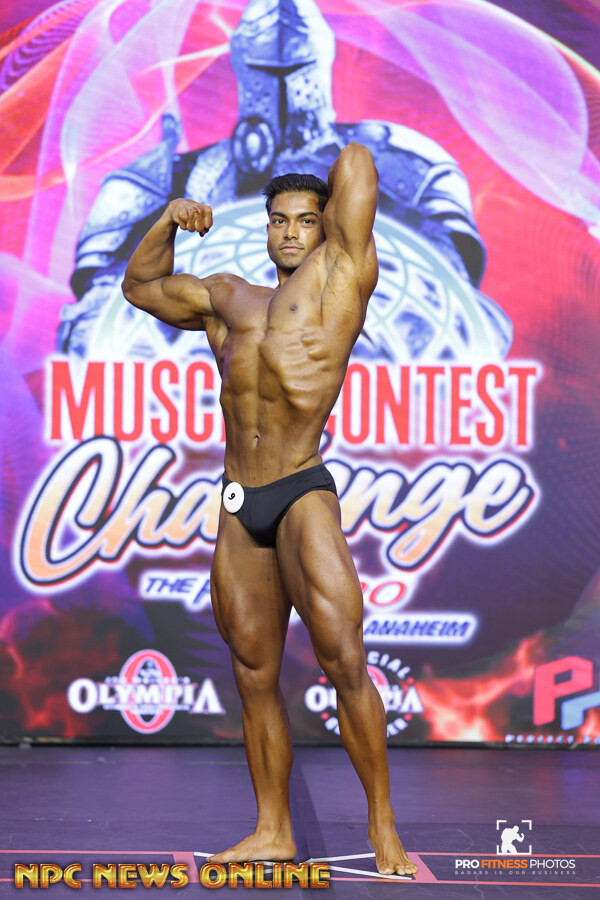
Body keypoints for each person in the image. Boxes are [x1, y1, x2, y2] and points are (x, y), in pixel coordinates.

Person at [122, 142, 418, 878]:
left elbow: (356, 163)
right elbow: (140, 286)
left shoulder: (341, 279)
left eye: (306, 220)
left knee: (344, 660)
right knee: (253, 672)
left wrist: (317, 171)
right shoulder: (228, 299)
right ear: (263, 229)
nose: (290, 232)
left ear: (328, 228)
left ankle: (383, 825)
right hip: (237, 501)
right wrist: (169, 218)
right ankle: (273, 829)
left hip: (300, 491)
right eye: (279, 220)